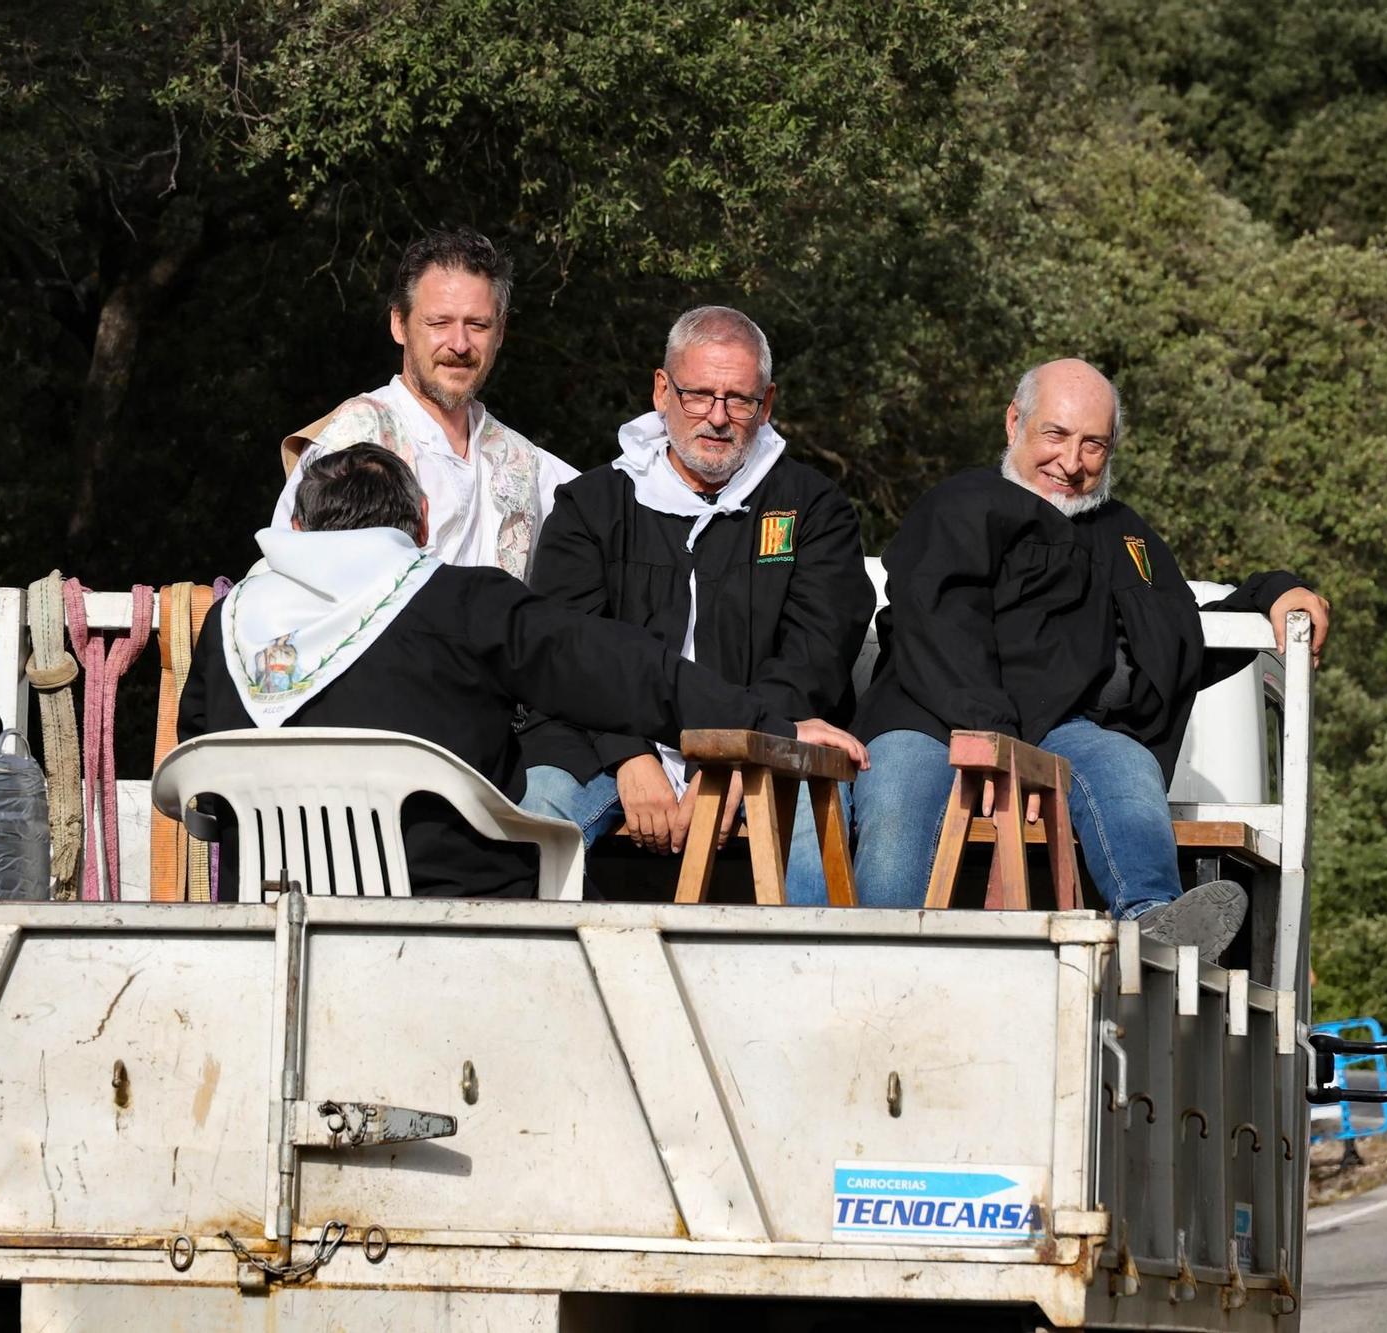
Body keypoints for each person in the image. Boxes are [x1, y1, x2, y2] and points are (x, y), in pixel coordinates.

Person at [183, 445, 866, 899]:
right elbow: (629, 671)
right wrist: (769, 725)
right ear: (422, 523)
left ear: (298, 527)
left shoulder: (232, 621)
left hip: (270, 916)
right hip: (458, 915)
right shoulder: (464, 602)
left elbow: (201, 780)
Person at [850, 358, 1330, 962]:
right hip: (930, 717)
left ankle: (1153, 931)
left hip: (1061, 730)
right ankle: (875, 955)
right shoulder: (958, 504)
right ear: (1013, 423)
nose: (1071, 463)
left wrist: (1275, 593)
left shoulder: (1122, 533)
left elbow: (1179, 635)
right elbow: (937, 630)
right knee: (895, 794)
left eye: (1093, 445)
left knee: (1125, 763)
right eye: (1055, 435)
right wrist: (1002, 748)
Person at [516, 307, 875, 902]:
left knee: (814, 823)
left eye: (739, 399)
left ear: (767, 404)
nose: (717, 417)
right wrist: (630, 756)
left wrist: (740, 749)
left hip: (767, 747)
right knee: (532, 828)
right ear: (662, 389)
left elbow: (817, 652)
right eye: (698, 394)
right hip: (600, 745)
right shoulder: (592, 505)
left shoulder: (814, 508)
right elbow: (570, 648)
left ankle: (814, 985)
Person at [272, 227, 578, 579]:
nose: (460, 344)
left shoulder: (525, 462)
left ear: (501, 332)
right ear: (399, 324)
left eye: (477, 325)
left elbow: (616, 512)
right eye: (439, 322)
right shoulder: (347, 443)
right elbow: (287, 582)